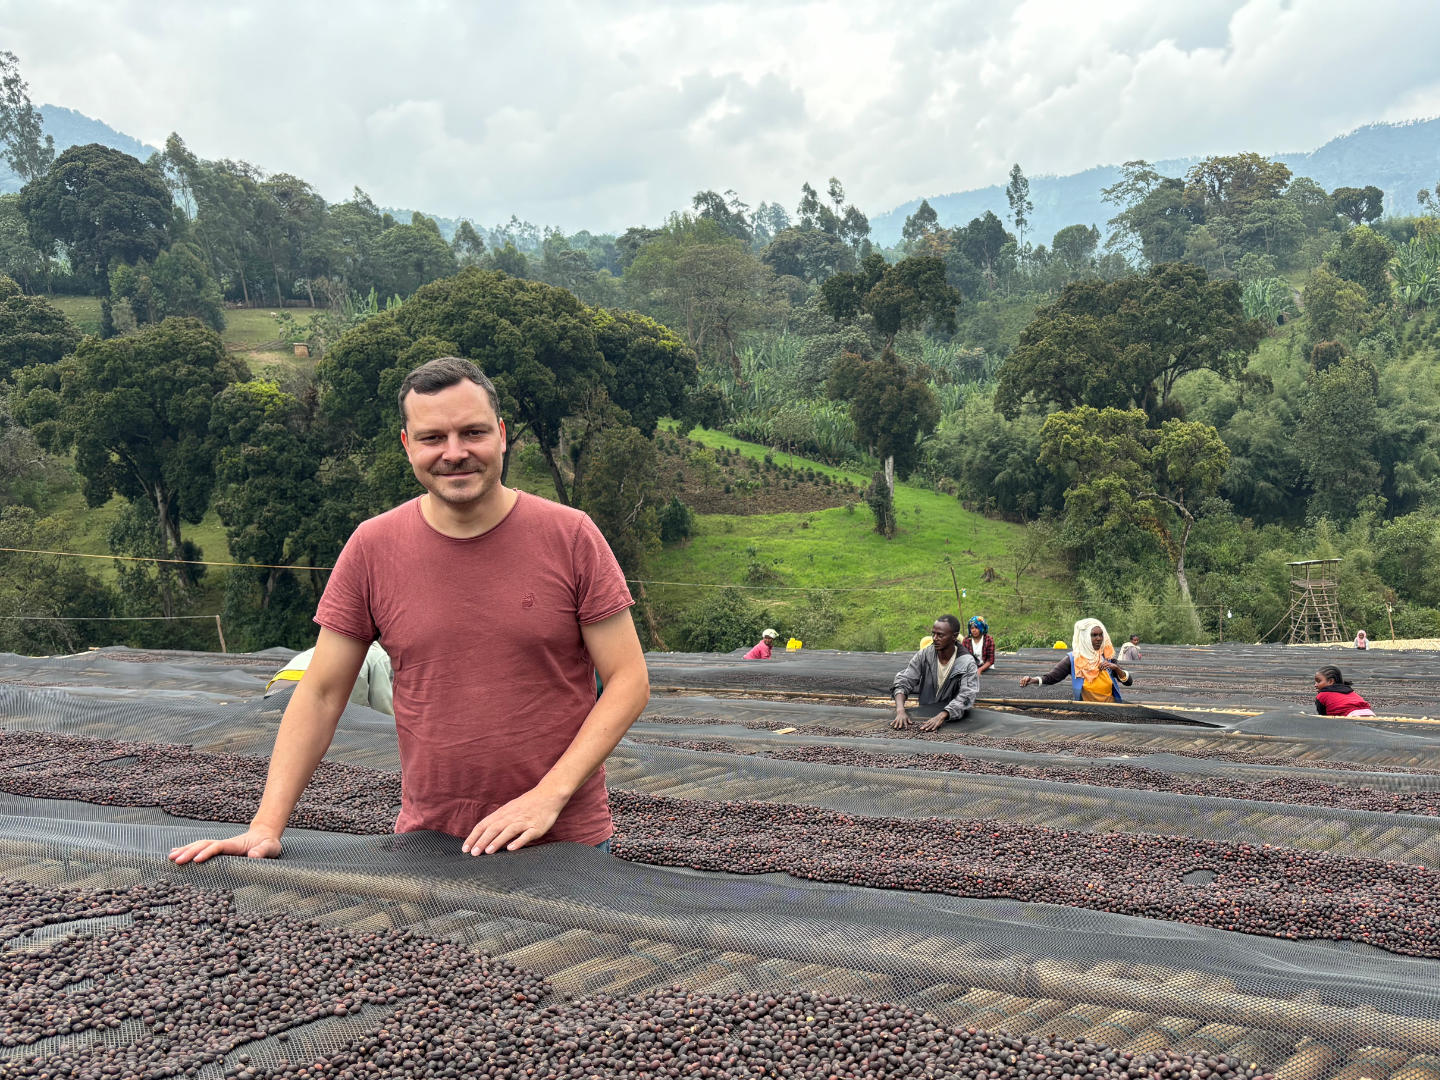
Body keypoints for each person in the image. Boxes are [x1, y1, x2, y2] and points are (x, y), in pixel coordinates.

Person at [170, 357, 649, 865]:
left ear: (503, 435)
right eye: (432, 438)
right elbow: (323, 690)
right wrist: (265, 825)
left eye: (473, 433)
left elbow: (628, 679)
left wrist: (547, 797)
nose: (455, 453)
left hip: (564, 838)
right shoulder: (373, 547)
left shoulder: (571, 536)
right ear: (407, 445)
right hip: (430, 841)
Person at [891, 615, 980, 732]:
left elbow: (967, 695)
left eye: (940, 635)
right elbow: (904, 680)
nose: (935, 638)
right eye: (933, 634)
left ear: (954, 637)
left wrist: (942, 715)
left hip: (953, 721)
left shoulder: (966, 663)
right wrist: (900, 710)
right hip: (925, 716)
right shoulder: (925, 655)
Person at [265, 640, 395, 716]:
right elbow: (381, 701)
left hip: (274, 690)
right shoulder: (378, 655)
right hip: (306, 690)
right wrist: (389, 723)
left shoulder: (334, 643)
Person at [1019, 618, 1133, 702]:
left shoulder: (1107, 657)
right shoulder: (1074, 659)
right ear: (1085, 638)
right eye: (1094, 635)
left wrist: (1117, 669)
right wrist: (1032, 680)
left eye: (1101, 634)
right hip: (1086, 711)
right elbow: (1052, 677)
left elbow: (1129, 682)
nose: (1099, 639)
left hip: (1111, 710)